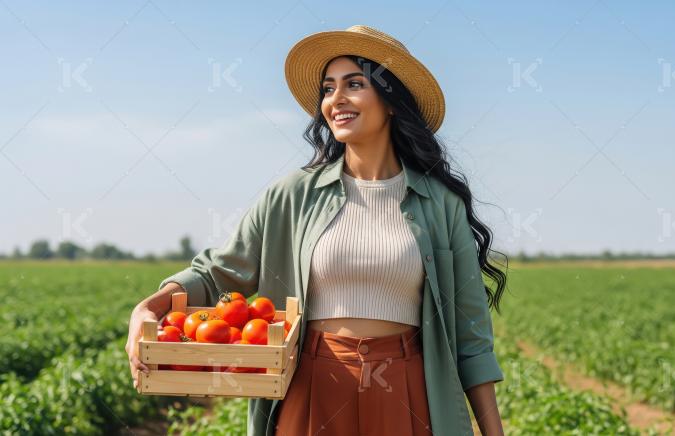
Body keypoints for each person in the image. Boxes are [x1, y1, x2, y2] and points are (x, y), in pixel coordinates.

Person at [125, 24, 508, 436]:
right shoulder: (293, 195)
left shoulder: (440, 205)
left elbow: (472, 342)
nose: (336, 99)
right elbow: (217, 271)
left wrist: (493, 432)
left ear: (392, 100)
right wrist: (150, 306)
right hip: (311, 386)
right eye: (328, 88)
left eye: (354, 84)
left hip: (408, 389)